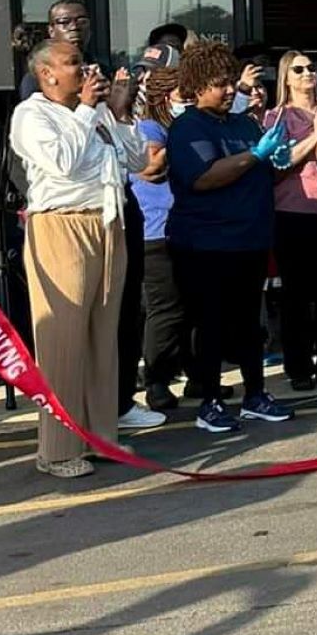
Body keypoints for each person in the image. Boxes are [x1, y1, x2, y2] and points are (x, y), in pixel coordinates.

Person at [8, 37, 157, 478]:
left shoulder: (99, 112)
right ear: (47, 74)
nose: (86, 69)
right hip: (62, 226)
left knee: (102, 335)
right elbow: (63, 163)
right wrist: (89, 110)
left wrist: (121, 114)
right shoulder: (32, 114)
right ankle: (56, 450)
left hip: (108, 222)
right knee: (64, 339)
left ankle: (101, 436)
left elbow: (138, 161)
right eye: (73, 63)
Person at [167, 40, 297, 434]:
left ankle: (256, 394)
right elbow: (204, 177)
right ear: (197, 86)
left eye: (230, 82)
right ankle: (209, 400)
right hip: (205, 243)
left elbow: (265, 171)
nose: (229, 91)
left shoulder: (244, 123)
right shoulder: (188, 127)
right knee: (210, 324)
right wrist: (255, 155)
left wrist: (279, 159)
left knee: (248, 323)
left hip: (250, 238)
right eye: (220, 85)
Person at [269, 48, 317, 393]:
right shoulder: (277, 117)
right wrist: (315, 136)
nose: (308, 73)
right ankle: (297, 367)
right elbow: (279, 163)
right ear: (286, 77)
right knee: (296, 294)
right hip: (292, 211)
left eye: (311, 67)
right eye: (298, 69)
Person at [130, 54, 189, 415]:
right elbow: (150, 167)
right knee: (164, 309)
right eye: (184, 95)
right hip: (156, 231)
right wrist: (179, 138)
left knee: (189, 308)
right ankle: (156, 381)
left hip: (183, 227)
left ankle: (197, 376)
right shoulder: (152, 127)